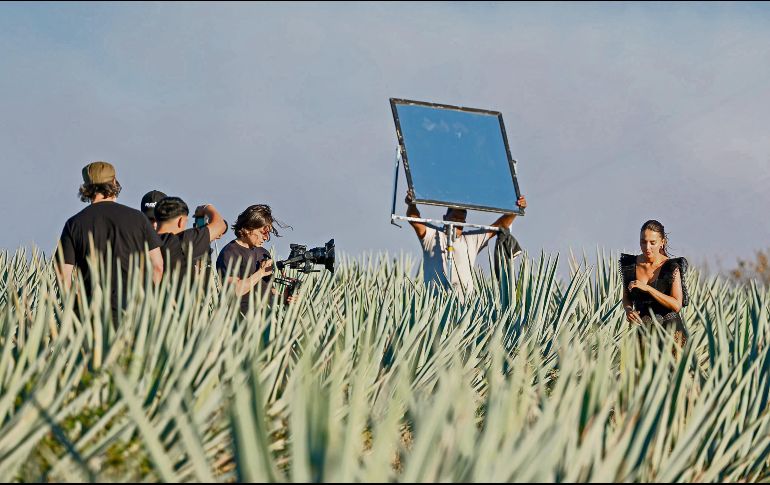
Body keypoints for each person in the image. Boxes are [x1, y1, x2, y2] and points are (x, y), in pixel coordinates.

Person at [56, 161, 164, 320]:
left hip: (90, 314)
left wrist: (76, 310)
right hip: (132, 312)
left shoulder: (74, 224)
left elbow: (62, 275)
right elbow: (157, 267)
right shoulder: (138, 219)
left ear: (86, 187)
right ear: (114, 183)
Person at [405, 189, 527, 300]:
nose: (457, 222)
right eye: (454, 218)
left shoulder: (471, 239)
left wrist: (516, 209)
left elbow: (499, 226)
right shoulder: (432, 236)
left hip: (463, 306)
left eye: (461, 219)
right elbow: (414, 219)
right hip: (434, 304)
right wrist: (412, 204)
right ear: (445, 217)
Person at [620, 220, 689, 347]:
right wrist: (629, 310)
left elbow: (676, 305)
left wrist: (648, 289)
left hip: (671, 337)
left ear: (662, 242)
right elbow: (626, 298)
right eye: (643, 242)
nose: (647, 247)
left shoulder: (671, 267)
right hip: (643, 336)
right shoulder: (629, 265)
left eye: (652, 243)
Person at [215, 204, 292, 313]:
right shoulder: (230, 253)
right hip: (241, 323)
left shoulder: (264, 253)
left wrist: (284, 298)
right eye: (262, 232)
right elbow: (233, 290)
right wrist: (260, 273)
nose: (266, 237)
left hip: (267, 321)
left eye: (268, 233)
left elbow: (270, 292)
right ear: (248, 228)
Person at [153, 196, 227, 277]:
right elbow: (220, 225)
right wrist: (206, 207)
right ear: (180, 221)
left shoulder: (145, 240)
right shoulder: (184, 240)